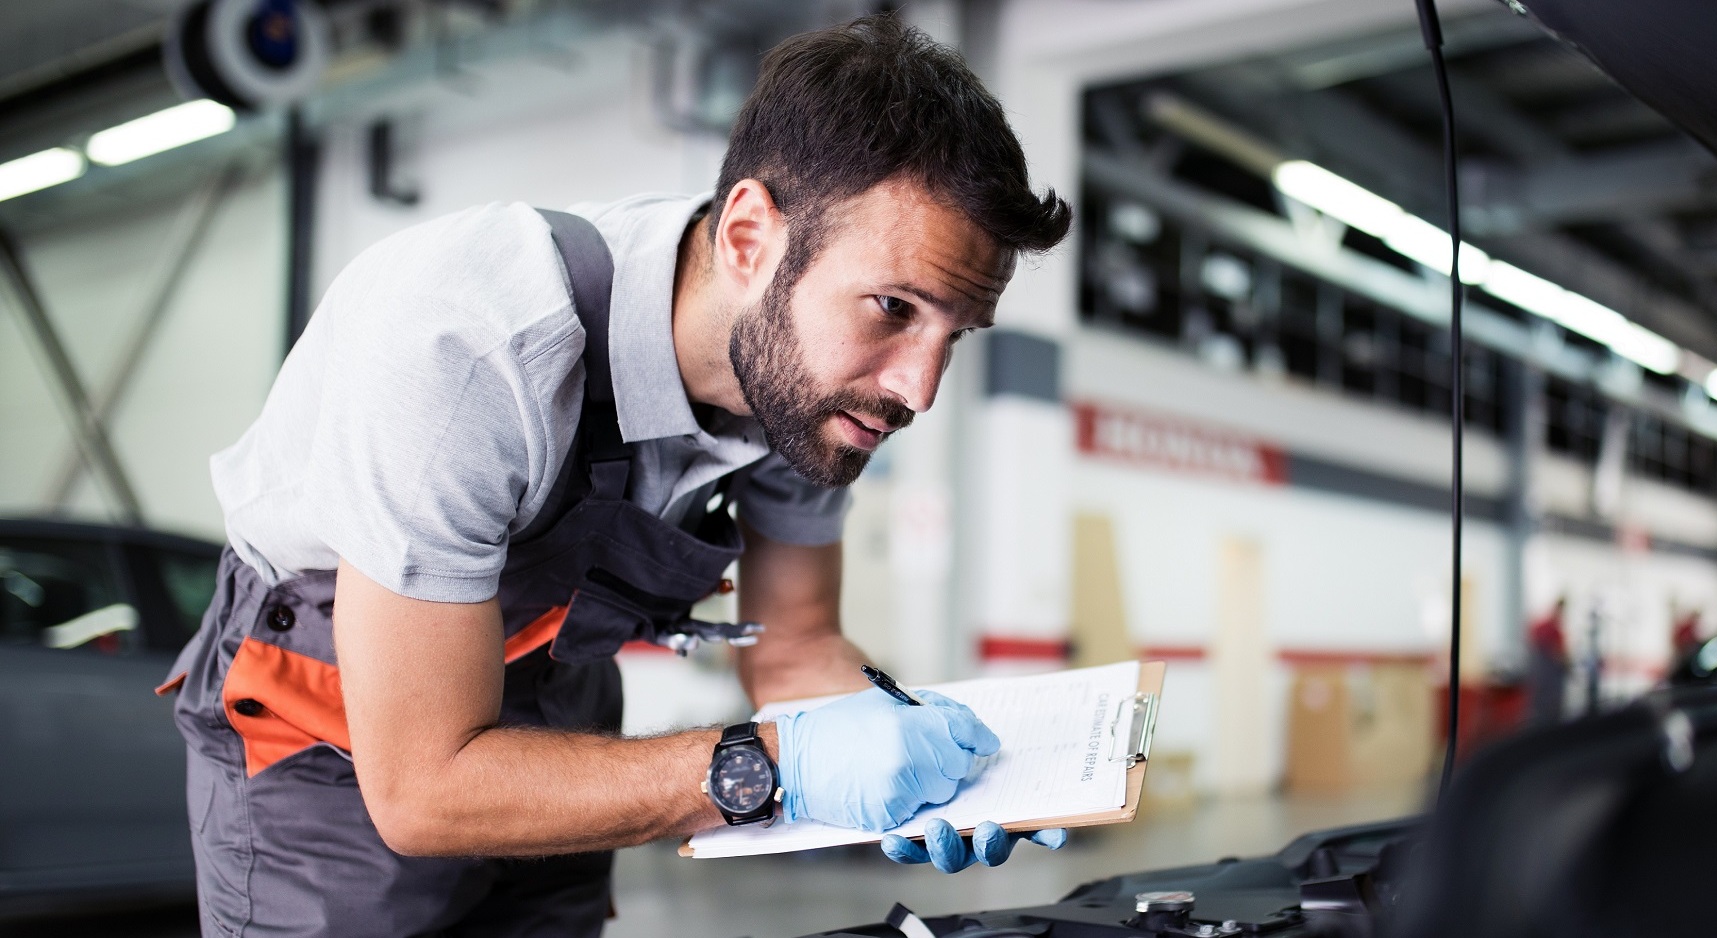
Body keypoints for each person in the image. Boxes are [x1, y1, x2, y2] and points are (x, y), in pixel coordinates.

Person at [158, 15, 1071, 937]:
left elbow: (794, 651)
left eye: (952, 335)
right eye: (892, 307)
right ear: (750, 237)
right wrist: (775, 765)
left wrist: (931, 764)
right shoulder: (466, 348)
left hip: (560, 692)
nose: (917, 387)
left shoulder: (815, 395)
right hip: (336, 718)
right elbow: (423, 789)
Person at [1526, 597, 1569, 725]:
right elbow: (1556, 653)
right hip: (1548, 678)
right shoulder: (1549, 628)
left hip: (1545, 677)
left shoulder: (1549, 627)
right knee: (1547, 708)